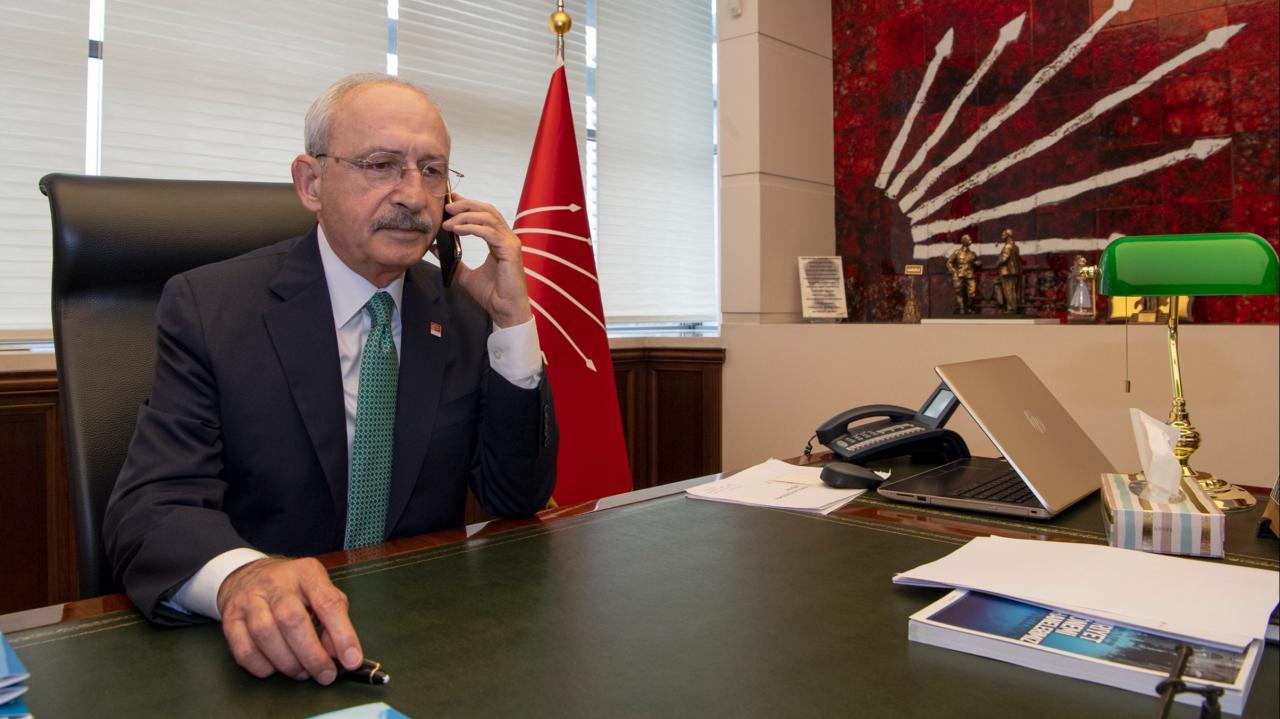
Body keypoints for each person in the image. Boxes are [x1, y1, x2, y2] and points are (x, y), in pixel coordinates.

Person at [102, 73, 558, 686]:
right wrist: (243, 577)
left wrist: (512, 322)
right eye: (381, 165)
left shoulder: (464, 308)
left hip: (427, 639)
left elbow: (515, 497)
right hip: (262, 655)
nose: (414, 195)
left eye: (432, 171)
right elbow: (152, 507)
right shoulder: (212, 309)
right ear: (311, 183)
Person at [946, 234, 980, 314]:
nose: (970, 240)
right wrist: (954, 272)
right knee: (959, 292)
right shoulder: (957, 252)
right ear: (963, 241)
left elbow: (977, 264)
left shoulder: (973, 254)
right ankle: (962, 309)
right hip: (959, 275)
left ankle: (969, 308)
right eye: (968, 239)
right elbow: (949, 262)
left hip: (970, 275)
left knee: (972, 293)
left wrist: (978, 264)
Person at [994, 228, 1022, 313]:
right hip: (1013, 271)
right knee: (1011, 289)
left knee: (1008, 290)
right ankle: (1010, 306)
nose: (1002, 237)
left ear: (1008, 236)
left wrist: (997, 263)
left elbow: (1004, 259)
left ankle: (1011, 308)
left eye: (1003, 235)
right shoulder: (1015, 246)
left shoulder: (1008, 246)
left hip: (1007, 271)